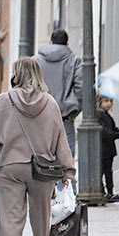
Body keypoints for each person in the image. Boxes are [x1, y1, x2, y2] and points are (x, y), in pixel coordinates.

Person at [0, 58, 75, 236]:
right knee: (42, 218)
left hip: (10, 166)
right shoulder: (50, 103)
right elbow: (61, 139)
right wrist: (67, 170)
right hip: (42, 170)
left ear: (16, 75)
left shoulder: (2, 102)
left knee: (11, 218)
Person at [33, 29, 83, 158]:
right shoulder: (74, 61)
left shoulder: (35, 61)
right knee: (65, 161)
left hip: (39, 116)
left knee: (40, 158)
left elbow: (27, 86)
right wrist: (73, 109)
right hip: (64, 116)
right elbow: (81, 89)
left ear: (50, 42)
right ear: (67, 44)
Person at [97, 95, 119, 201]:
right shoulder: (98, 116)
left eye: (110, 101)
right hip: (103, 149)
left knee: (108, 171)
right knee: (102, 171)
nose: (109, 104)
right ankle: (103, 191)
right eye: (106, 101)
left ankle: (109, 192)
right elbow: (105, 132)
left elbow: (112, 128)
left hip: (108, 149)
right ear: (99, 102)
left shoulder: (107, 116)